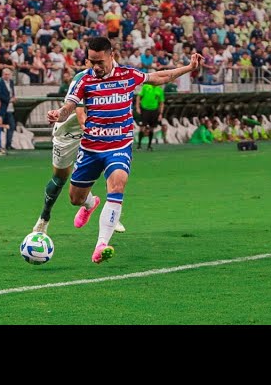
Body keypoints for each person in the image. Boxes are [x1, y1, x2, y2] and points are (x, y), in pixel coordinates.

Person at [47, 37, 201, 263]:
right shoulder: (84, 80)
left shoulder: (127, 75)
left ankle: (101, 244)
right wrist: (57, 114)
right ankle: (90, 203)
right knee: (75, 198)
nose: (95, 67)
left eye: (99, 62)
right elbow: (69, 107)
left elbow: (158, 77)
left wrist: (188, 68)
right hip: (90, 148)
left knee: (118, 183)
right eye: (91, 62)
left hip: (118, 146)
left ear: (111, 55)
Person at [33, 68, 125, 235]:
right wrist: (85, 126)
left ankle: (112, 213)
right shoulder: (81, 78)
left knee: (110, 165)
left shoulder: (115, 79)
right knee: (60, 178)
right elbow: (80, 111)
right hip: (68, 132)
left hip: (95, 131)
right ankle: (44, 217)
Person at [135, 83, 165, 151]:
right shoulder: (145, 87)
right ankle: (139, 145)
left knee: (152, 128)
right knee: (142, 127)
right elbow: (138, 96)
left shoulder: (159, 90)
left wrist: (160, 113)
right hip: (145, 110)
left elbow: (161, 103)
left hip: (154, 110)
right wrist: (137, 107)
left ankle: (149, 146)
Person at [0, 68, 17, 150]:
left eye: (8, 74)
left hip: (10, 108)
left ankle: (9, 144)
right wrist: (9, 99)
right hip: (2, 108)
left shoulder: (11, 82)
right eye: (5, 74)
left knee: (12, 126)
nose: (7, 76)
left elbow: (12, 92)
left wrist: (13, 98)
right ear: (2, 74)